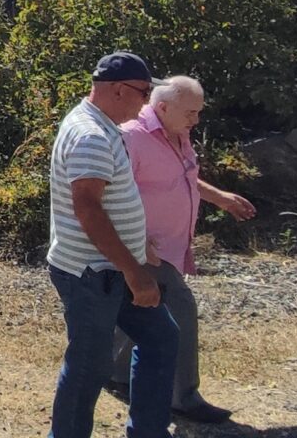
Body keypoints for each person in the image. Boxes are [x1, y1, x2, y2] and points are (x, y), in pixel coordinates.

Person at [46, 51, 179, 438]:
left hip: (112, 267)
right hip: (93, 273)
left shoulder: (99, 124)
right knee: (89, 366)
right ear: (119, 90)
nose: (146, 103)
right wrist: (134, 270)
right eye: (142, 92)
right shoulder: (90, 134)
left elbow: (107, 203)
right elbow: (87, 207)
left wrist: (138, 248)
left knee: (161, 337)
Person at [110, 76, 255, 424]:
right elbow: (111, 191)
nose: (196, 120)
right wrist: (137, 241)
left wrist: (220, 197)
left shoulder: (178, 133)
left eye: (198, 112)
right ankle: (183, 397)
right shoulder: (132, 136)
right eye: (191, 112)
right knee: (179, 312)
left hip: (171, 248)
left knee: (139, 311)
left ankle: (114, 374)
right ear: (162, 107)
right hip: (148, 249)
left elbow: (182, 177)